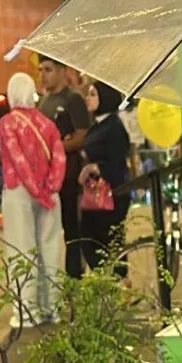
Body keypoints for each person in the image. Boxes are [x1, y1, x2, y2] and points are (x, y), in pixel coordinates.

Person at [0, 70, 67, 325]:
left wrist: (35, 189)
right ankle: (53, 307)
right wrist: (50, 189)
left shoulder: (8, 123)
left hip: (19, 191)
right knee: (51, 248)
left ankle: (27, 311)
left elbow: (17, 159)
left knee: (21, 248)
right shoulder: (47, 124)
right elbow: (59, 158)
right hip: (50, 194)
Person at [37, 55, 91, 277]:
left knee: (72, 230)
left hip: (69, 176)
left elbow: (82, 136)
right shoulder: (43, 102)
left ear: (62, 71)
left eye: (48, 69)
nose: (43, 75)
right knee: (47, 232)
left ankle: (74, 278)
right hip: (46, 177)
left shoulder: (73, 100)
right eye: (40, 70)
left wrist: (56, 146)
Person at [79, 78, 133, 271]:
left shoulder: (114, 126)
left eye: (93, 94)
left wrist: (96, 168)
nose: (88, 98)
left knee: (110, 243)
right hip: (95, 194)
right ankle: (105, 280)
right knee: (91, 240)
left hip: (113, 194)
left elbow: (117, 162)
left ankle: (118, 281)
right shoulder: (98, 125)